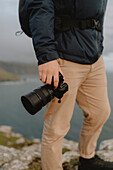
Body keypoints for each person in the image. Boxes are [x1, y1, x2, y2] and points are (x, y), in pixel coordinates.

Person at [25, 0, 113, 169]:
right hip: (64, 58)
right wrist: (47, 56)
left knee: (100, 112)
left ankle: (87, 159)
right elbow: (40, 6)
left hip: (94, 58)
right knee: (57, 125)